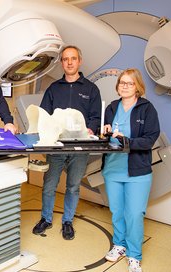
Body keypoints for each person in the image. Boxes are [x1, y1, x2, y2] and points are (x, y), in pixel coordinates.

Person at [32, 45, 102, 240]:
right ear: (62, 63)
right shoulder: (54, 89)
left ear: (79, 61)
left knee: (73, 186)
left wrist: (91, 128)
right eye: (65, 59)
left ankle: (67, 221)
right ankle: (46, 218)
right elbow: (44, 115)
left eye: (73, 58)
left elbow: (96, 117)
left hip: (80, 147)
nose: (69, 62)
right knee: (49, 185)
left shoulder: (91, 89)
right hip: (57, 146)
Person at [102, 68, 160, 272]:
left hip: (138, 171)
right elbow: (104, 135)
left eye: (130, 83)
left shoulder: (147, 109)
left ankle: (134, 255)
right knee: (116, 211)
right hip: (113, 169)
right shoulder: (110, 107)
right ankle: (119, 245)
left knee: (134, 214)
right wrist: (105, 133)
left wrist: (125, 140)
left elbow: (150, 139)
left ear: (138, 87)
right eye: (122, 83)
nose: (125, 86)